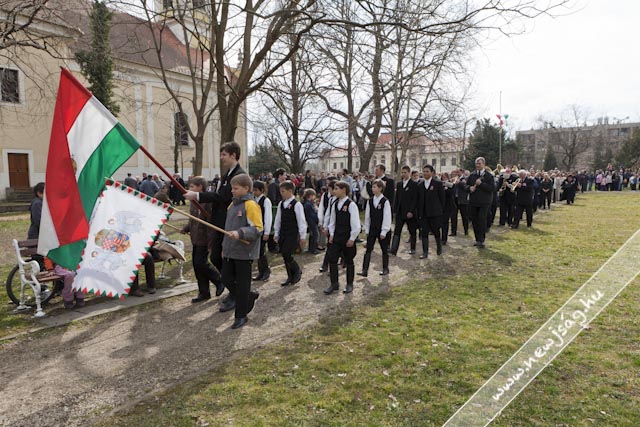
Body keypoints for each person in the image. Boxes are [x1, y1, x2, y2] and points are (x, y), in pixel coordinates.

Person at [184, 142, 246, 285]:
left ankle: (238, 289)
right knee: (216, 257)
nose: (221, 157)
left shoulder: (239, 175)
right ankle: (234, 287)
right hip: (219, 221)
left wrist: (197, 196)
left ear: (233, 155)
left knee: (225, 258)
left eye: (224, 154)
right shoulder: (227, 174)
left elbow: (223, 197)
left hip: (230, 222)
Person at [221, 174, 262, 329]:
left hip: (245, 252)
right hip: (230, 251)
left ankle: (241, 315)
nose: (232, 191)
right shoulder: (231, 206)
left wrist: (240, 233)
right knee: (226, 278)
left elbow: (257, 229)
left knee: (243, 284)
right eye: (232, 188)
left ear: (246, 188)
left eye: (236, 188)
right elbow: (227, 229)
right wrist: (224, 248)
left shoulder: (251, 205)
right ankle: (248, 295)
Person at [182, 176, 224, 303]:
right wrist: (186, 228)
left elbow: (209, 222)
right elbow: (193, 219)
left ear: (200, 187)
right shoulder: (193, 200)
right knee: (196, 265)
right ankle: (204, 292)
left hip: (204, 238)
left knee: (201, 263)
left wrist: (211, 242)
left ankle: (219, 280)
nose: (190, 189)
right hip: (195, 237)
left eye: (192, 186)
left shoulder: (207, 202)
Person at [325, 181, 361, 295]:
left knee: (349, 260)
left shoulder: (351, 205)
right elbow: (332, 221)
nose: (334, 191)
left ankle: (349, 283)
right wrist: (331, 234)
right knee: (332, 259)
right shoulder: (335, 203)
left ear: (344, 190)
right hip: (336, 237)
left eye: (337, 189)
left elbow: (356, 224)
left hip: (347, 237)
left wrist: (352, 238)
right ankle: (334, 283)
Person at [273, 181, 307, 286]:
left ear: (290, 191)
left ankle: (297, 270)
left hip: (292, 233)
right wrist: (276, 232)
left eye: (283, 191)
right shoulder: (281, 204)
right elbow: (278, 219)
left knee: (287, 252)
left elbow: (301, 221)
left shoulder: (296, 204)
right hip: (283, 232)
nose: (281, 193)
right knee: (284, 254)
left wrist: (302, 236)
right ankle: (290, 276)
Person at [358, 179, 391, 277]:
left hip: (381, 229)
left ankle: (385, 268)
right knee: (368, 249)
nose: (372, 189)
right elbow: (367, 216)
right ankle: (364, 270)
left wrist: (384, 231)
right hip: (372, 228)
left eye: (375, 187)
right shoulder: (370, 201)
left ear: (380, 188)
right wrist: (367, 229)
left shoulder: (385, 201)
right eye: (372, 187)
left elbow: (387, 217)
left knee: (384, 249)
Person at [465, 157, 495, 248]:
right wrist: (469, 188)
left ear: (484, 164)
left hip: (484, 202)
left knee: (482, 219)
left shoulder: (489, 176)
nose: (477, 165)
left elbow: (492, 188)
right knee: (475, 221)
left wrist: (481, 184)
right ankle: (477, 239)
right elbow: (466, 186)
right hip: (474, 201)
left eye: (479, 163)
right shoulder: (472, 175)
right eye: (476, 163)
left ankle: (482, 240)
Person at [417, 164, 444, 259]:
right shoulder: (420, 185)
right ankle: (425, 252)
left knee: (436, 231)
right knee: (424, 233)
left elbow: (442, 199)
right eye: (424, 171)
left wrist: (440, 211)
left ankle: (439, 247)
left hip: (435, 213)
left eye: (427, 171)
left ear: (432, 172)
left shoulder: (438, 184)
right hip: (424, 213)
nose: (425, 173)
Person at [390, 165, 418, 255]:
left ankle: (413, 248)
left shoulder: (414, 184)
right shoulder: (399, 184)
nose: (403, 174)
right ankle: (393, 249)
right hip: (400, 212)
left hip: (409, 213)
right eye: (402, 172)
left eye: (405, 172)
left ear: (409, 173)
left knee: (412, 231)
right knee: (397, 231)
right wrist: (395, 210)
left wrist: (411, 211)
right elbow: (397, 198)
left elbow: (415, 199)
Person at [252, 181, 272, 281]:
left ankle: (266, 270)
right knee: (257, 251)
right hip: (255, 229)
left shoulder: (265, 201)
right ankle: (261, 271)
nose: (254, 192)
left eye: (256, 190)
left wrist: (267, 231)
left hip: (262, 228)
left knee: (261, 250)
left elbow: (268, 217)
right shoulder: (253, 200)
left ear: (262, 190)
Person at [319, 179, 337, 272]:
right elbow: (324, 211)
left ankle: (343, 260)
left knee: (337, 246)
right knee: (330, 245)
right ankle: (325, 264)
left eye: (330, 189)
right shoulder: (327, 197)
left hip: (339, 225)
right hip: (330, 224)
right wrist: (323, 224)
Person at [441, 172, 457, 245]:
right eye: (443, 177)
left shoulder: (451, 185)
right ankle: (442, 237)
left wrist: (446, 188)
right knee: (442, 222)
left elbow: (452, 194)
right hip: (441, 206)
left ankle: (444, 239)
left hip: (448, 205)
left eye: (445, 177)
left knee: (445, 222)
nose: (444, 179)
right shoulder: (440, 185)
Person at [302, 188, 320, 254]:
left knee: (312, 235)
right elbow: (312, 214)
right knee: (315, 235)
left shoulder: (309, 203)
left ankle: (311, 248)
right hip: (311, 222)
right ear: (311, 196)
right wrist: (317, 219)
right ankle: (313, 249)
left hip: (311, 221)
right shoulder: (308, 204)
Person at [453, 170, 470, 236]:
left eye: (458, 172)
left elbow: (466, 187)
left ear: (462, 173)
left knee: (464, 216)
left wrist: (459, 182)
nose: (457, 173)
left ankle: (466, 230)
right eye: (456, 172)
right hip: (455, 199)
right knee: (454, 216)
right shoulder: (455, 178)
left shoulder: (465, 178)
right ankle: (453, 231)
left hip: (462, 200)